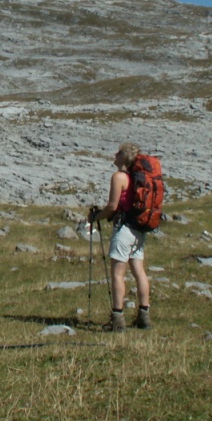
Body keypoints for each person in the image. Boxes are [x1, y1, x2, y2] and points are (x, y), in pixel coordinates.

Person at [88, 142, 151, 332]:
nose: (115, 155)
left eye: (119, 152)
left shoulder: (119, 177)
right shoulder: (137, 178)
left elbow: (112, 206)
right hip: (138, 228)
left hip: (124, 229)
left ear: (124, 157)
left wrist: (96, 217)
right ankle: (144, 315)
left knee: (117, 273)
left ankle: (117, 318)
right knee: (139, 270)